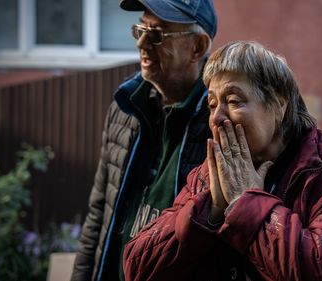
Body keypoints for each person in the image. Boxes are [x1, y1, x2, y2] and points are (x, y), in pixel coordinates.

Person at [123, 41, 322, 281]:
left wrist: (245, 202)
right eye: (212, 104)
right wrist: (208, 209)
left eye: (233, 101)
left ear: (279, 105)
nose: (217, 118)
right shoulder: (209, 175)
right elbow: (137, 268)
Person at [71, 0, 217, 280]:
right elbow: (100, 212)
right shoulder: (125, 107)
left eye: (158, 34)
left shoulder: (218, 122)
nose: (142, 44)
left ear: (197, 47)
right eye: (141, 29)